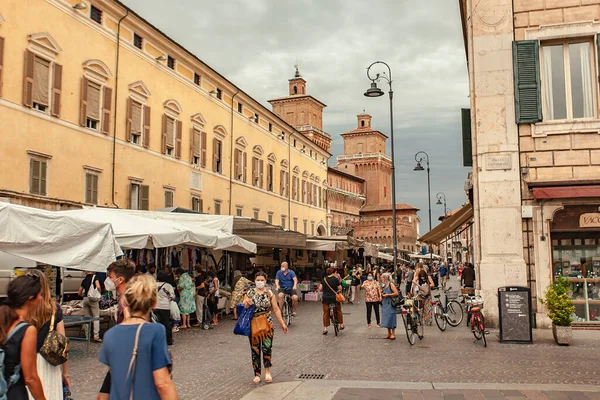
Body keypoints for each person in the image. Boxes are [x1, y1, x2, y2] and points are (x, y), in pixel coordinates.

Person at [98, 275, 177, 399]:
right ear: (154, 303)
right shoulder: (155, 331)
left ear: (126, 301)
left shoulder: (110, 335)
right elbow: (162, 383)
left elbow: (113, 380)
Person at [1, 274, 46, 400]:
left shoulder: (3, 321)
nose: (41, 299)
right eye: (39, 295)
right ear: (31, 298)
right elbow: (30, 377)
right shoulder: (27, 330)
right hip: (13, 393)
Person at [26, 270, 69, 400]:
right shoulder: (54, 308)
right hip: (49, 363)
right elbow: (63, 343)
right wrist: (65, 374)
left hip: (26, 361)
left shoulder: (23, 308)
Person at [98, 258, 135, 400]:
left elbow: (129, 324)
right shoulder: (126, 296)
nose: (108, 280)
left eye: (110, 277)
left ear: (120, 279)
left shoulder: (126, 298)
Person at [242, 272, 288, 384]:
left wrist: (282, 323)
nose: (260, 282)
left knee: (267, 348)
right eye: (258, 280)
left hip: (267, 324)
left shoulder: (269, 293)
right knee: (255, 349)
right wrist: (247, 303)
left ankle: (267, 371)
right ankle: (257, 373)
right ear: (255, 280)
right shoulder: (250, 293)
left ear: (265, 281)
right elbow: (243, 305)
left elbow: (276, 309)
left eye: (262, 280)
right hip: (254, 324)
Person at [78, 271, 102, 343]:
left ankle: (87, 336)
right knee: (96, 317)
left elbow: (79, 292)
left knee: (87, 318)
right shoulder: (95, 277)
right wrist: (99, 293)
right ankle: (96, 336)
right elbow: (98, 286)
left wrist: (85, 296)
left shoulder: (84, 280)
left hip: (85, 299)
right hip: (93, 300)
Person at [320, 267, 345, 335]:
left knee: (325, 313)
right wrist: (339, 291)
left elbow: (320, 288)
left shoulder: (323, 279)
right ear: (333, 273)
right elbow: (340, 288)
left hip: (326, 298)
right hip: (334, 298)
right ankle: (341, 324)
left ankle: (325, 328)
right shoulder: (336, 279)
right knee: (338, 310)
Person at [154, 270, 175, 346]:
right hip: (165, 307)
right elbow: (172, 297)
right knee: (166, 324)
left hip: (155, 306)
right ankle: (168, 340)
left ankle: (157, 339)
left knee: (156, 323)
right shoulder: (168, 286)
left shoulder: (153, 285)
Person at [380, 272, 399, 340]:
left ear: (385, 278)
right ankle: (389, 333)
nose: (381, 278)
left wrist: (388, 295)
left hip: (390, 303)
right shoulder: (384, 285)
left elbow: (396, 293)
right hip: (385, 302)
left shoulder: (391, 284)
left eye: (382, 277)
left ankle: (393, 333)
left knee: (391, 317)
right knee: (386, 317)